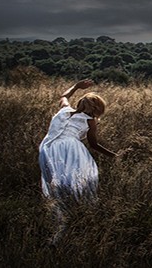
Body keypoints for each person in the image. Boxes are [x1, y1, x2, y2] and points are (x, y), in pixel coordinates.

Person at [38, 79, 117, 245]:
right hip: (70, 148)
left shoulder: (65, 110)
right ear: (97, 109)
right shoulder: (90, 121)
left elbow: (64, 96)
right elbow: (94, 144)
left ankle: (61, 222)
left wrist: (76, 86)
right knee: (81, 181)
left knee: (56, 184)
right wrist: (114, 156)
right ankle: (78, 217)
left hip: (49, 148)